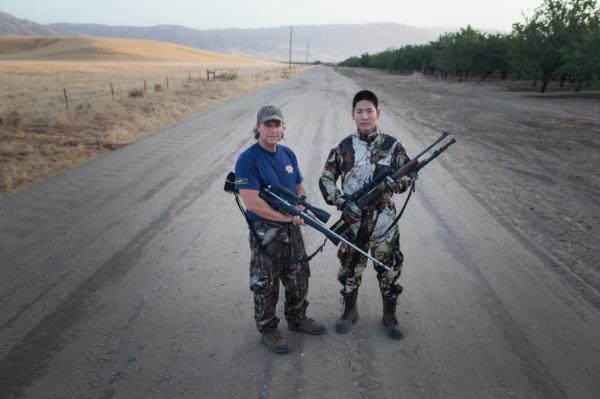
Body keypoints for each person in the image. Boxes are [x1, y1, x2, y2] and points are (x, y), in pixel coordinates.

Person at [319, 90, 415, 339]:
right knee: (350, 268)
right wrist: (341, 201)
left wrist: (399, 184)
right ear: (353, 115)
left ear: (378, 113)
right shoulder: (343, 147)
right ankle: (350, 312)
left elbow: (410, 174)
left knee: (390, 268)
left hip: (384, 221)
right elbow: (327, 178)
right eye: (359, 111)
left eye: (369, 111)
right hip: (353, 222)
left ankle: (389, 315)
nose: (364, 116)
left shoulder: (393, 145)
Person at [234, 104, 326, 354]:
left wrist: (301, 205)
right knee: (266, 282)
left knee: (298, 275)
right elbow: (252, 202)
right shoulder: (247, 160)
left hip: (291, 227)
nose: (273, 130)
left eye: (277, 125)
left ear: (283, 129)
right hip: (265, 231)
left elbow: (298, 186)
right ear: (258, 128)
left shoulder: (288, 154)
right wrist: (286, 218)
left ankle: (297, 319)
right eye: (268, 125)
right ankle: (268, 329)